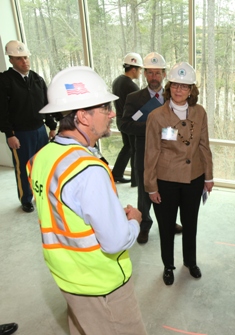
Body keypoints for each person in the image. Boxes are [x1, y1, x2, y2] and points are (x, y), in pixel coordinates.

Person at [27, 66, 147, 334]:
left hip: (68, 278)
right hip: (101, 285)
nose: (112, 114)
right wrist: (134, 222)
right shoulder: (88, 170)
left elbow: (65, 212)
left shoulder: (42, 157)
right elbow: (115, 241)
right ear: (82, 116)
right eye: (105, 108)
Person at [144, 62, 213, 286]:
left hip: (194, 178)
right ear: (169, 87)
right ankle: (168, 265)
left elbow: (204, 145)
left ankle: (190, 262)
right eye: (175, 85)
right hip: (166, 180)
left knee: (190, 223)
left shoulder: (199, 113)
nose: (179, 90)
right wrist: (151, 186)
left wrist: (209, 176)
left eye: (184, 86)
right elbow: (151, 153)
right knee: (166, 225)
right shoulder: (157, 116)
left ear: (192, 89)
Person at [121, 52, 182, 244]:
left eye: (157, 73)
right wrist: (151, 128)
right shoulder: (134, 98)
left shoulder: (174, 97)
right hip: (143, 153)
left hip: (168, 154)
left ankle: (169, 223)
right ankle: (144, 224)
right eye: (150, 73)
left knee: (168, 191)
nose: (153, 77)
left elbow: (179, 127)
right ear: (145, 74)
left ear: (164, 74)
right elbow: (124, 125)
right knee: (145, 193)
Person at [0, 40, 57, 213]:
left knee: (43, 165)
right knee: (23, 168)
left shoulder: (37, 78)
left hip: (40, 130)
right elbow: (2, 111)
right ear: (11, 60)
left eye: (25, 57)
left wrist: (52, 126)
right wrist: (10, 134)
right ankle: (26, 198)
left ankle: (45, 194)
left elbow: (46, 104)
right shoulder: (5, 81)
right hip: (20, 134)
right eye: (19, 59)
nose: (24, 62)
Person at [111, 52, 143, 185]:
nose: (140, 73)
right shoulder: (131, 86)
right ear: (134, 69)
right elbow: (138, 107)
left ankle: (117, 174)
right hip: (130, 122)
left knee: (128, 147)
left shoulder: (117, 81)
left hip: (120, 120)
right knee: (134, 149)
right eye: (140, 70)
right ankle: (136, 180)